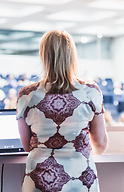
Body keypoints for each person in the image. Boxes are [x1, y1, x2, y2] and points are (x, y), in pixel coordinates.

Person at [17, 30, 108, 192]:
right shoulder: (91, 91)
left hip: (40, 177)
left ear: (43, 56)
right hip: (80, 176)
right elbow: (100, 144)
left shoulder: (27, 95)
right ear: (72, 55)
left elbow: (26, 145)